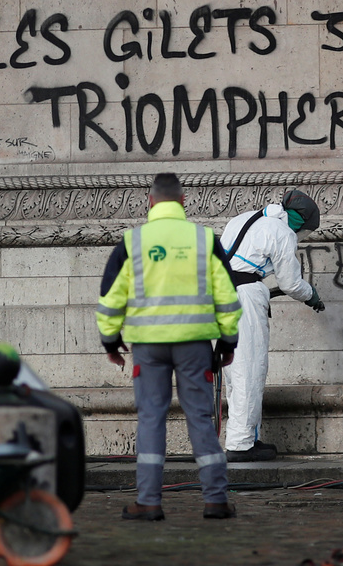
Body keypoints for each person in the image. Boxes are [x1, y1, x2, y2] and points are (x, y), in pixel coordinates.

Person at [97, 173, 242, 521]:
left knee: (151, 419)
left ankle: (148, 502)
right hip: (195, 345)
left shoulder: (132, 242)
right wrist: (227, 340)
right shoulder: (203, 239)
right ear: (183, 200)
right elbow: (228, 296)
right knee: (200, 419)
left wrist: (111, 340)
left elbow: (110, 297)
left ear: (150, 202)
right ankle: (216, 500)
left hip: (147, 347)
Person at [220, 189, 325, 462]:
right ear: (300, 223)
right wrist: (310, 295)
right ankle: (241, 445)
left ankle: (241, 437)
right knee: (249, 368)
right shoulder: (282, 232)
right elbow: (290, 283)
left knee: (233, 371)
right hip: (243, 299)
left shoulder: (244, 219)